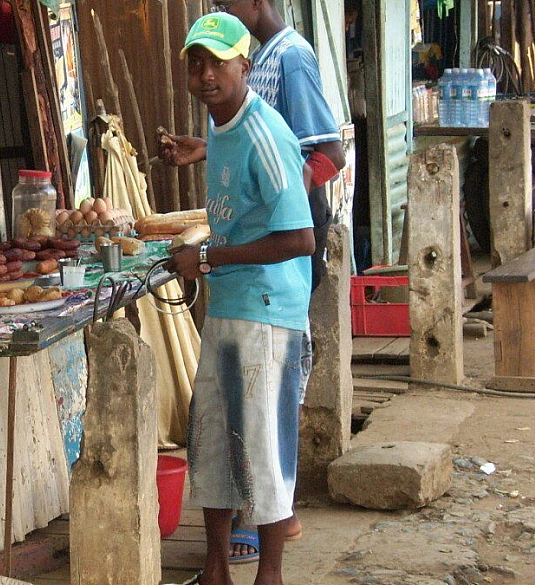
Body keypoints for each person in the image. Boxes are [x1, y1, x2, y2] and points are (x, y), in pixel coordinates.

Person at [160, 0, 347, 563]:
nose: (206, 76)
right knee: (212, 442)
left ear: (245, 64)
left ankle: (270, 575)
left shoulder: (267, 131)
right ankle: (215, 566)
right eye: (196, 65)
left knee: (262, 452)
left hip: (268, 310)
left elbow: (300, 239)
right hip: (231, 304)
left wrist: (210, 259)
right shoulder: (221, 123)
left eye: (218, 64)